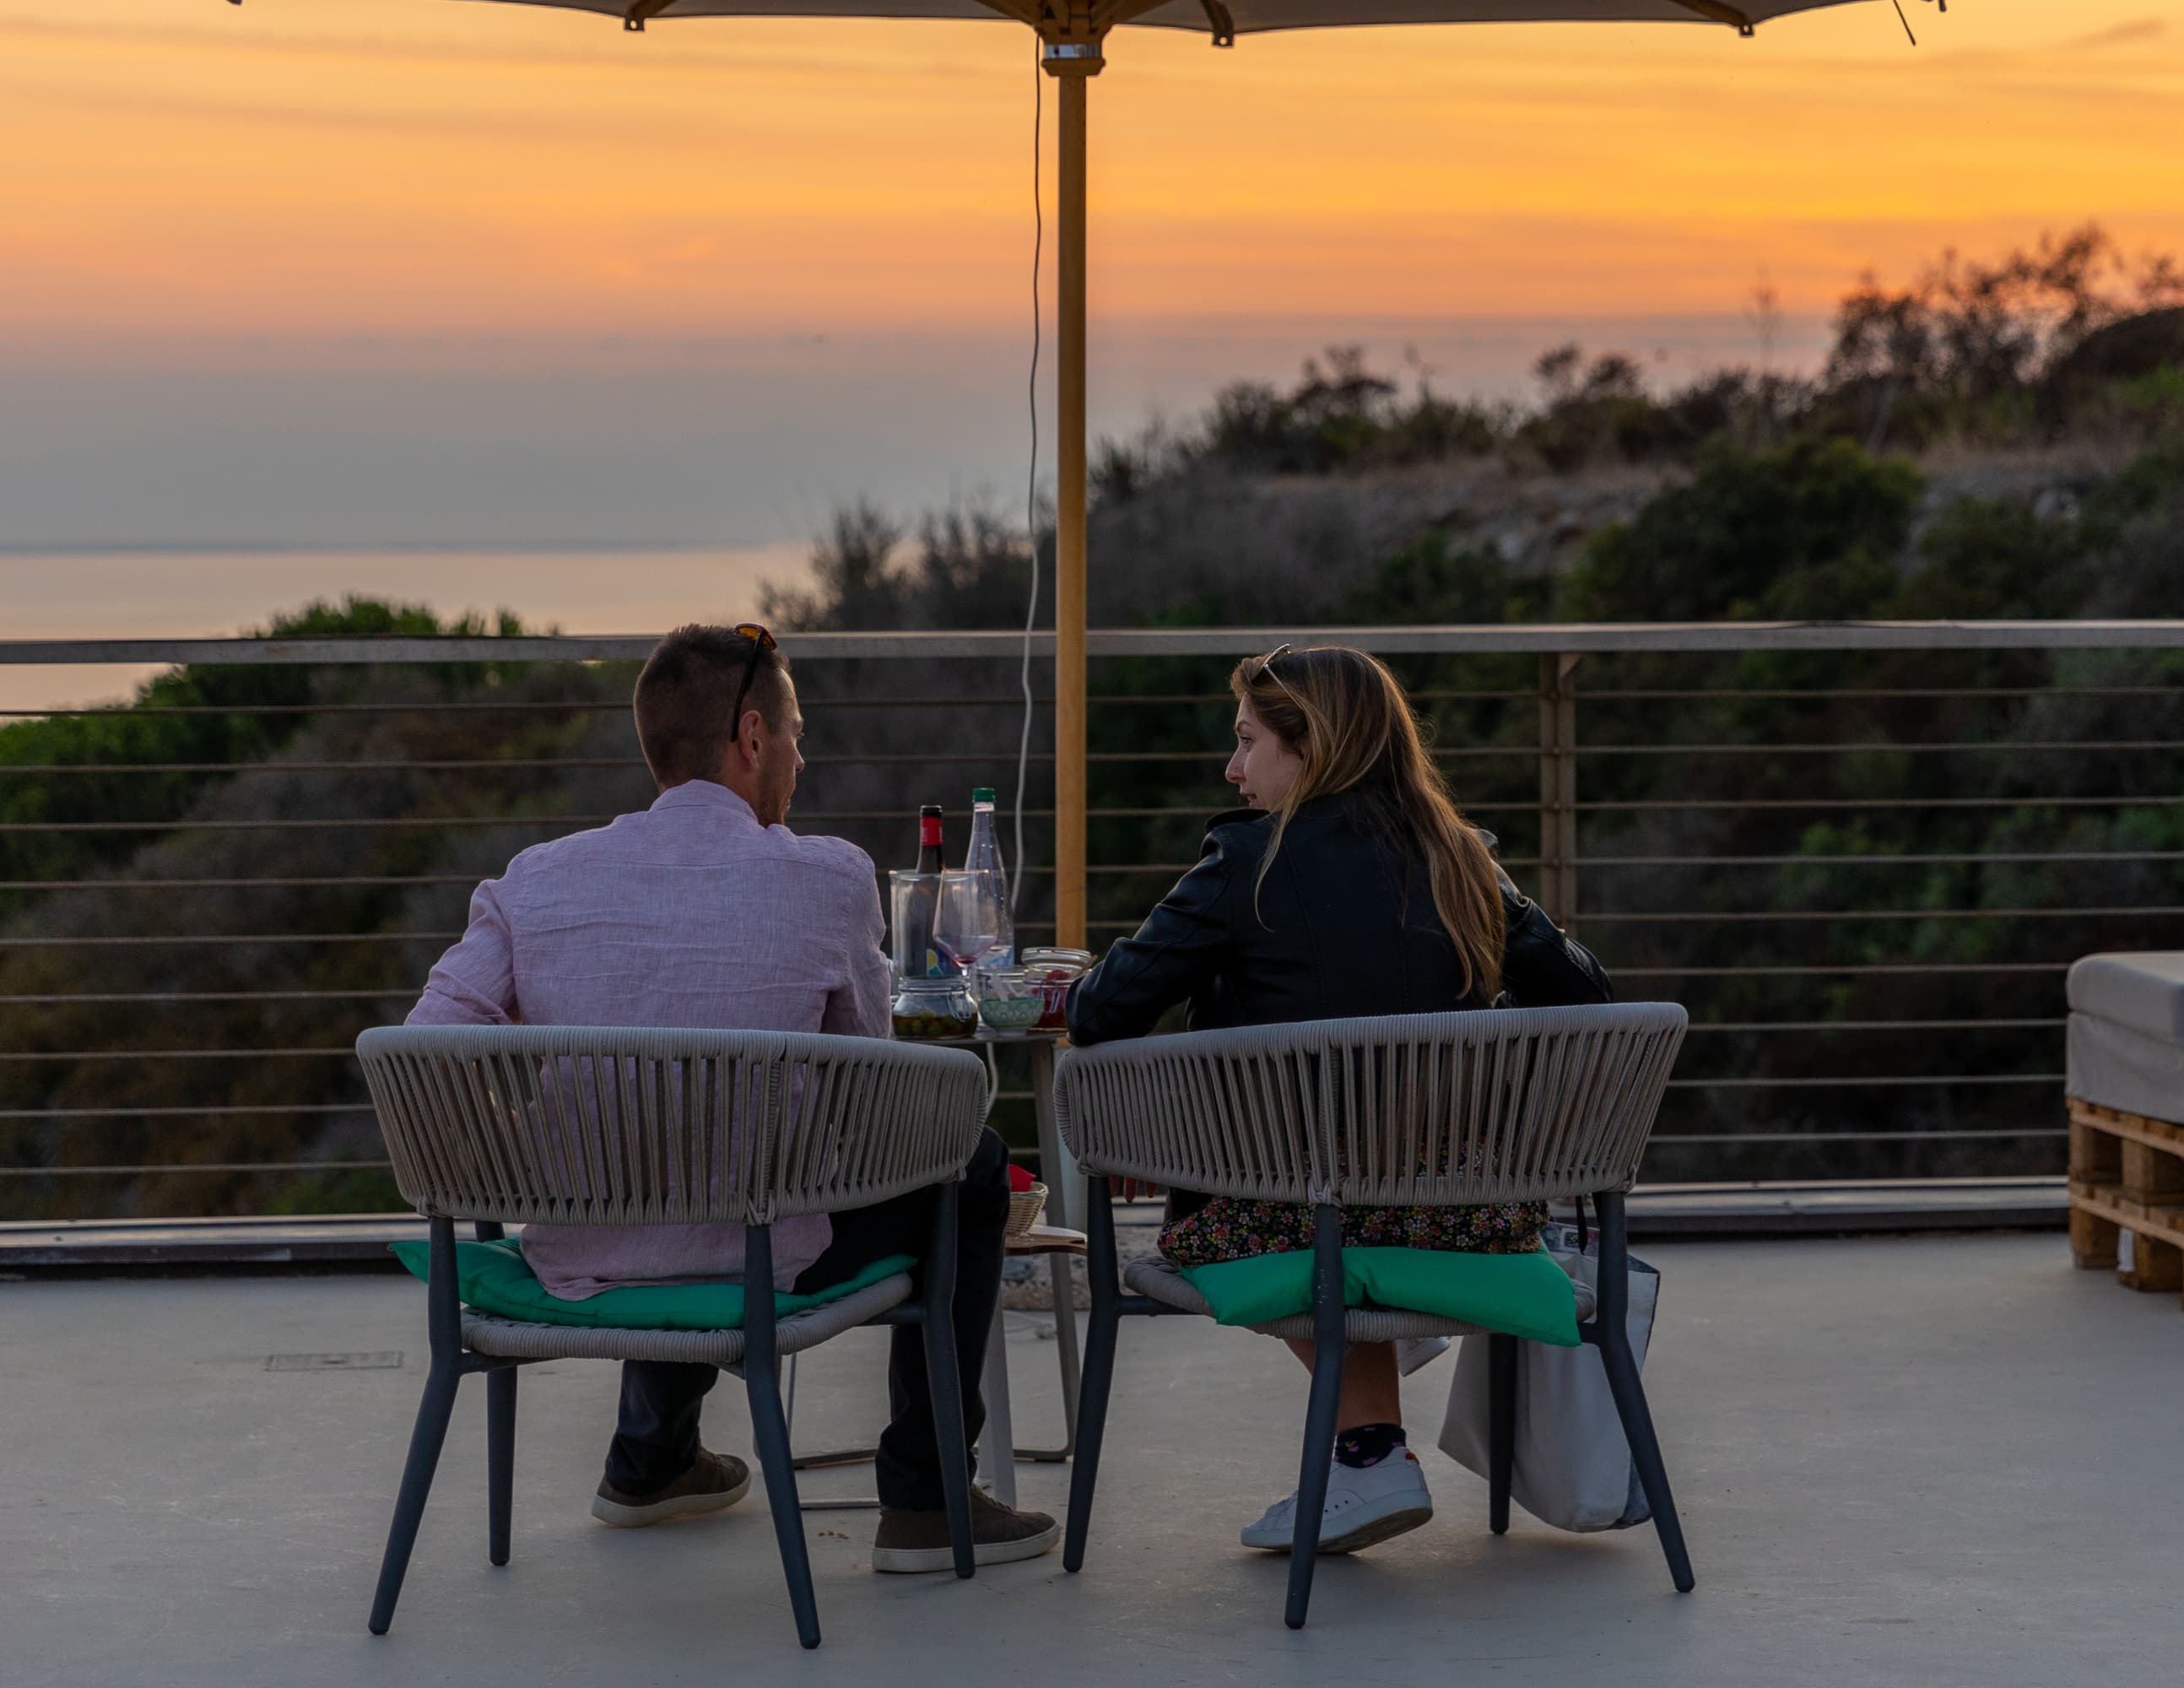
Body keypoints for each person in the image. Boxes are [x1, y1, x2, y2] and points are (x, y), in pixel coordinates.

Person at [404, 621, 1058, 1574]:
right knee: (971, 1167)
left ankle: (651, 1457)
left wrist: (530, 1155)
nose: (801, 754)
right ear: (752, 738)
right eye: (795, 733)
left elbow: (424, 1049)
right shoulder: (826, 877)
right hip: (761, 1245)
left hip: (587, 1243)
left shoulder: (533, 883)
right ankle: (926, 1496)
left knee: (665, 1152)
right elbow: (877, 1093)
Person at [1067, 643, 1611, 1556]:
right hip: (1465, 1218)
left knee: (1296, 1211)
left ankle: (1368, 1458)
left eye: (1247, 742)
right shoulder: (1466, 861)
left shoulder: (1245, 862)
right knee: (1346, 1205)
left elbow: (1101, 1010)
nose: (1234, 769)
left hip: (1286, 1218)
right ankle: (1366, 1450)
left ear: (1309, 747)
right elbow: (1592, 1002)